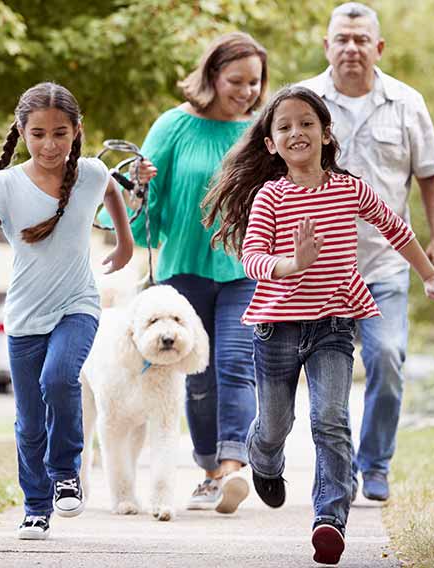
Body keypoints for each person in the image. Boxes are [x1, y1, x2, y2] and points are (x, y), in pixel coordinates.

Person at [202, 86, 434, 565]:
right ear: (271, 145)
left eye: (306, 123)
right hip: (277, 326)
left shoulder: (349, 188)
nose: (296, 132)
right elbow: (253, 257)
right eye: (284, 127)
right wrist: (291, 264)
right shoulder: (269, 196)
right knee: (275, 424)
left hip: (333, 325)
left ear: (325, 133)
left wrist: (428, 276)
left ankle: (329, 519)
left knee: (331, 420)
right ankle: (264, 460)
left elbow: (396, 228)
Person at [0, 82, 149, 541]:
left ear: (76, 131)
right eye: (38, 134)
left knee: (59, 379)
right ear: (22, 132)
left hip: (78, 304)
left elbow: (112, 192)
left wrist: (125, 243)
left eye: (59, 133)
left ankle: (67, 473)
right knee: (29, 421)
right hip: (25, 317)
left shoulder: (90, 172)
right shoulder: (6, 185)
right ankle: (35, 506)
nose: (49, 144)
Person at [300, 2, 434, 503]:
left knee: (387, 358)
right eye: (341, 39)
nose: (350, 48)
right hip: (321, 269)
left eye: (361, 39)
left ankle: (376, 463)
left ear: (378, 47)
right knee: (327, 379)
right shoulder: (304, 103)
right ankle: (337, 473)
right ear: (327, 46)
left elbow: (430, 173)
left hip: (387, 262)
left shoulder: (408, 103)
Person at [131, 31, 268, 514]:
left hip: (243, 270)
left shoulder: (259, 134)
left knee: (235, 364)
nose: (248, 91)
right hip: (184, 270)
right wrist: (138, 186)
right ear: (212, 76)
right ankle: (209, 469)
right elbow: (142, 203)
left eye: (255, 82)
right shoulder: (173, 126)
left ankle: (233, 467)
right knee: (199, 375)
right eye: (237, 80)